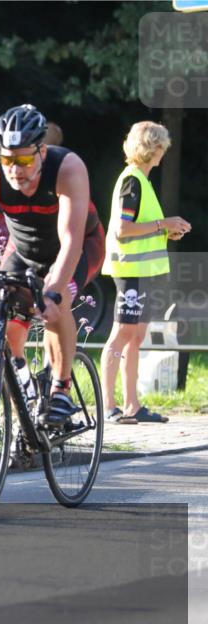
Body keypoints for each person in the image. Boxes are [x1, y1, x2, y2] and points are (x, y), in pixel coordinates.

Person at [0, 104, 104, 424]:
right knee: (8, 318)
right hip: (23, 249)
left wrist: (52, 291)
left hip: (79, 246)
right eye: (8, 159)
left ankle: (60, 391)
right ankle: (23, 416)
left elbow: (71, 240)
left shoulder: (67, 168)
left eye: (24, 159)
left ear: (42, 151)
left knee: (57, 300)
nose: (15, 169)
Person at [100, 121, 190, 424]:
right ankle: (109, 406)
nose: (163, 154)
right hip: (131, 271)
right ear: (153, 148)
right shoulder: (133, 181)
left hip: (143, 272)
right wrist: (163, 225)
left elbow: (140, 228)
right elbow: (124, 230)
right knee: (121, 335)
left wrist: (167, 231)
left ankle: (132, 406)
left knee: (135, 336)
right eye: (162, 147)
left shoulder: (142, 181)